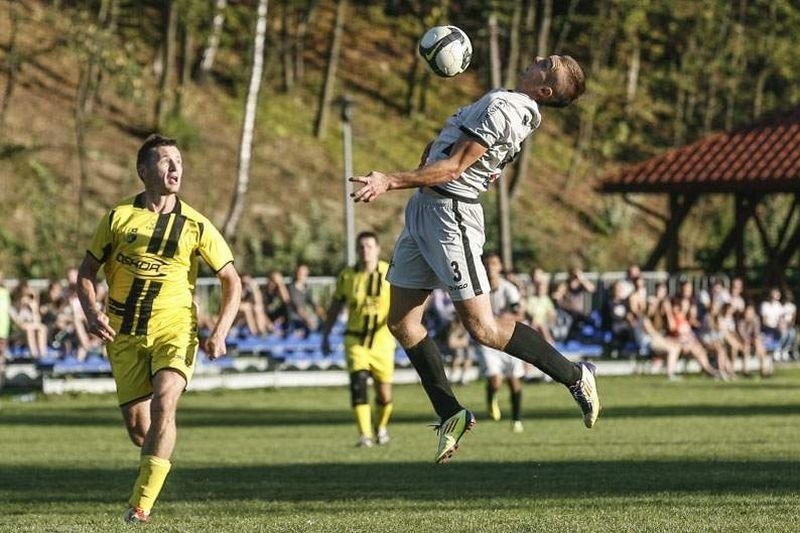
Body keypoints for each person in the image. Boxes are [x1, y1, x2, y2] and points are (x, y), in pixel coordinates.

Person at [350, 54, 599, 463]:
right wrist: (430, 159)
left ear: (545, 90)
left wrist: (390, 179)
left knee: (482, 328)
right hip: (425, 211)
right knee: (401, 321)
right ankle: (450, 414)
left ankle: (576, 376)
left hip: (451, 216)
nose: (538, 58)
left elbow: (451, 168)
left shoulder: (505, 109)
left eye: (547, 64)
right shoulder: (508, 103)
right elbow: (449, 151)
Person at [76, 134, 241, 525]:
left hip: (175, 329)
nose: (174, 168)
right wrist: (91, 310)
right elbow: (86, 273)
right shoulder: (118, 218)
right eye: (165, 161)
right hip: (123, 334)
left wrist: (220, 331)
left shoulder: (197, 225)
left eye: (179, 161)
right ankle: (157, 459)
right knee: (140, 429)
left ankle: (140, 506)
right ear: (143, 171)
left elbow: (232, 281)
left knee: (164, 404)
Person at [320, 231, 395, 448]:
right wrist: (326, 333)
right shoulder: (347, 275)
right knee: (358, 384)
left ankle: (380, 427)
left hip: (382, 341)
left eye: (369, 246)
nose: (365, 251)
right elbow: (336, 306)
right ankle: (365, 434)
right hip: (355, 341)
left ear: (378, 249)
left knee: (384, 394)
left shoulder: (389, 273)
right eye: (361, 247)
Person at [480, 253, 526, 433]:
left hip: (508, 339)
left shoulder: (509, 289)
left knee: (514, 382)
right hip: (488, 341)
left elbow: (519, 313)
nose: (490, 267)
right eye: (487, 264)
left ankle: (516, 420)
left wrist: (507, 317)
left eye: (494, 263)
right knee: (495, 380)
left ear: (499, 267)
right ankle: (491, 396)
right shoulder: (479, 289)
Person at [287, 262, 323, 337]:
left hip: (304, 317)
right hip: (294, 319)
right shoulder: (291, 289)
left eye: (305, 274)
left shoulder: (305, 289)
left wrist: (322, 313)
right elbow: (296, 307)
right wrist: (307, 318)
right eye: (301, 273)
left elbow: (313, 303)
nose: (303, 276)